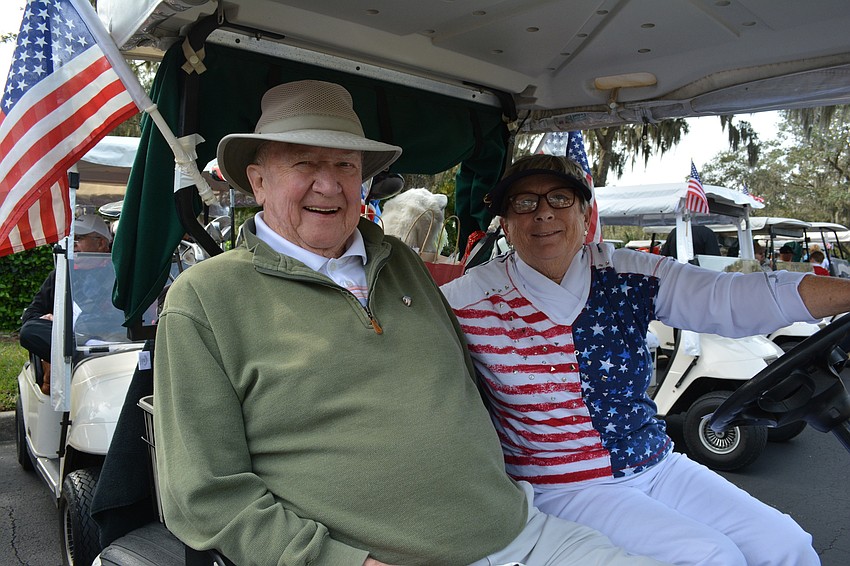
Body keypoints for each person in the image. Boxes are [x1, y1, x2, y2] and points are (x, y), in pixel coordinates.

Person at [153, 81, 667, 566]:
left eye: (345, 165)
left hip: (518, 530)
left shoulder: (398, 260)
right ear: (259, 181)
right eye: (304, 163)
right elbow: (205, 494)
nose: (328, 184)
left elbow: (469, 386)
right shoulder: (206, 298)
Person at [440, 153, 850, 566]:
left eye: (561, 199)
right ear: (507, 225)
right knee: (713, 558)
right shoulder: (465, 300)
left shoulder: (626, 273)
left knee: (787, 545)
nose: (544, 213)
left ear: (585, 214)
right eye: (525, 203)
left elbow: (730, 298)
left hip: (657, 462)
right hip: (562, 485)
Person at [19, 213, 112, 394]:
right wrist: (55, 320)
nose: (72, 244)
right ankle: (79, 354)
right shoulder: (61, 274)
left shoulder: (117, 271)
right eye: (71, 239)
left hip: (111, 340)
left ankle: (80, 351)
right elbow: (31, 314)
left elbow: (118, 318)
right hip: (72, 340)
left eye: (78, 238)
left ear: (101, 243)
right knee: (30, 331)